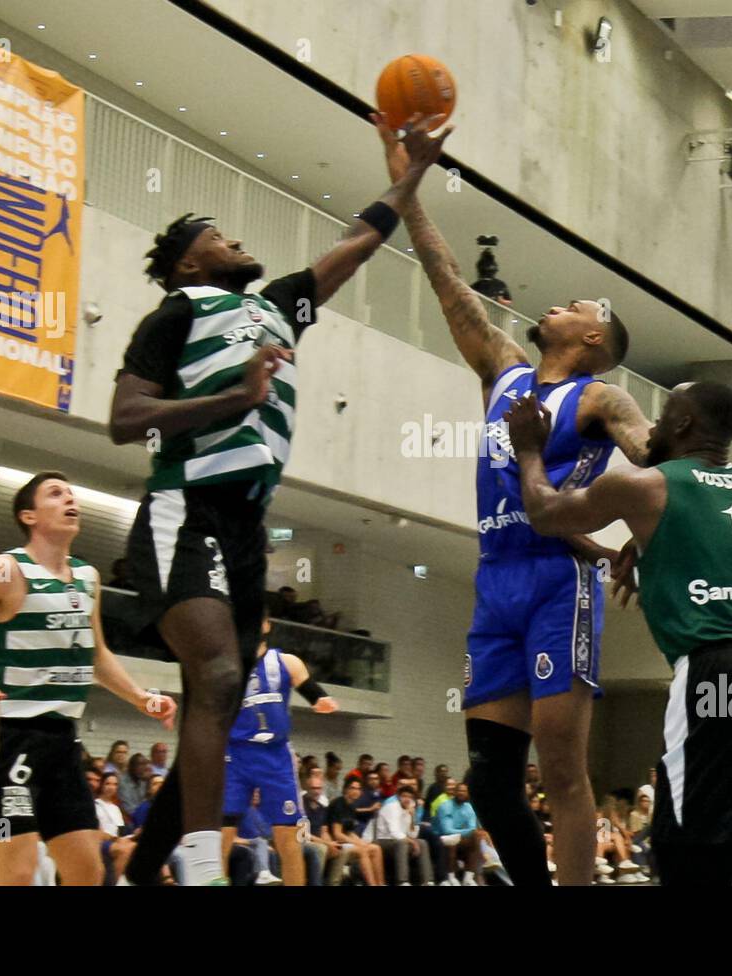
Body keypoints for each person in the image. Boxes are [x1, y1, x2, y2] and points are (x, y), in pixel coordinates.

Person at [110, 120, 447, 888]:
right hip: (184, 510)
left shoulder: (278, 305)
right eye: (220, 236)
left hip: (245, 529)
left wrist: (413, 172)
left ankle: (141, 873)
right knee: (222, 682)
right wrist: (234, 397)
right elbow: (125, 421)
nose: (237, 242)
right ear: (193, 259)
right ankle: (201, 872)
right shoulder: (177, 314)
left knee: (216, 703)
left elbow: (358, 242)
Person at [375, 114, 654, 890]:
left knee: (562, 769)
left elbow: (651, 456)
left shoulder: (602, 397)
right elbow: (443, 274)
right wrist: (409, 179)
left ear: (595, 339)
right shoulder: (502, 371)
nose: (557, 304)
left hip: (557, 582)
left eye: (576, 307)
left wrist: (647, 532)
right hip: (494, 580)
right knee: (493, 777)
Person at [503, 379, 732, 886]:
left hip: (719, 671)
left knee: (689, 857)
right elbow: (718, 555)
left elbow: (545, 512)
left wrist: (528, 448)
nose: (653, 427)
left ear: (683, 425)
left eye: (664, 416)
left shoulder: (643, 485)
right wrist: (645, 555)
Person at [0, 471, 176, 886]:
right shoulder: (1, 570)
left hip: (62, 739)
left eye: (72, 494)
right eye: (55, 494)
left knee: (87, 871)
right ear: (29, 515)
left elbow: (97, 655)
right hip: (7, 735)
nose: (69, 500)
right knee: (18, 873)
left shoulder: (88, 577)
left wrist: (141, 698)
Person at [220, 617, 338, 886]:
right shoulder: (227, 664)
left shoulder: (286, 662)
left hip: (275, 756)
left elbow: (311, 690)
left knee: (289, 839)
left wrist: (322, 701)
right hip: (235, 755)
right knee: (221, 838)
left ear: (265, 624)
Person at [328, 777, 384, 885]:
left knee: (376, 848)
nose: (356, 791)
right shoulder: (338, 804)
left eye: (358, 789)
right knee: (362, 850)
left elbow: (349, 832)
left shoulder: (352, 806)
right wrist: (357, 843)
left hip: (347, 841)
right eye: (352, 788)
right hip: (335, 843)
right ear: (346, 789)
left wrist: (361, 842)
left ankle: (380, 883)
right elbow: (337, 834)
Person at [375, 784, 433, 885]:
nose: (407, 799)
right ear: (399, 797)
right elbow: (395, 833)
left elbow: (413, 835)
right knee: (402, 843)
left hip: (399, 841)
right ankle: (403, 881)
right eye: (404, 796)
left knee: (422, 843)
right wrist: (412, 842)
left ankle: (427, 881)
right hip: (383, 841)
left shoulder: (408, 809)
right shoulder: (391, 807)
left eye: (410, 797)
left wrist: (412, 817)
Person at [432, 781, 486, 886]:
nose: (461, 793)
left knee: (476, 837)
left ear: (468, 794)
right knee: (454, 839)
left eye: (464, 791)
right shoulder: (445, 806)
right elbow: (447, 830)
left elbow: (472, 828)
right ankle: (451, 877)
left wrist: (471, 832)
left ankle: (468, 878)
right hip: (440, 837)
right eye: (459, 790)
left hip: (458, 836)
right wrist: (469, 831)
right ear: (454, 792)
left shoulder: (469, 807)